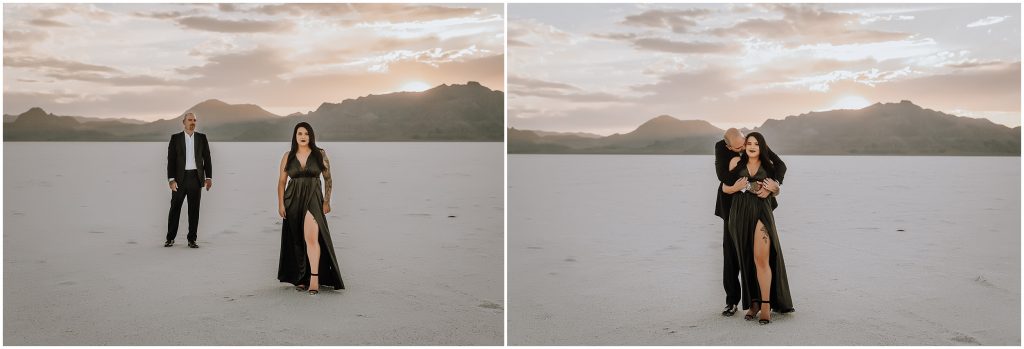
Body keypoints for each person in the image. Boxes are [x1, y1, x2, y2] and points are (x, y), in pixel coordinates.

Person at [721, 132, 794, 324]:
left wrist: (775, 188)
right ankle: (753, 303)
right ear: (744, 146)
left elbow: (777, 187)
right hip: (739, 214)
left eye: (756, 144)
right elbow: (725, 187)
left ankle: (765, 305)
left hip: (761, 213)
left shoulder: (769, 166)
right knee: (746, 261)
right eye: (749, 143)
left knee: (761, 259)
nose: (752, 146)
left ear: (762, 147)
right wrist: (736, 187)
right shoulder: (736, 163)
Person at [277, 122, 345, 295]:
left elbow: (328, 179)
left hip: (313, 198)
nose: (303, 136)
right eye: (299, 133)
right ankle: (301, 278)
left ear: (311, 136)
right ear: (295, 136)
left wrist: (327, 201)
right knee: (297, 240)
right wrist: (280, 203)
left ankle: (314, 278)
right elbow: (282, 181)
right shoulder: (288, 156)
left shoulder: (320, 154)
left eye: (306, 133)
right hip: (292, 199)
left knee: (312, 237)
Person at [165, 112, 212, 248]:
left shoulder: (202, 138)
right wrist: (171, 179)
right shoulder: (175, 138)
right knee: (175, 208)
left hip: (196, 178)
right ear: (183, 122)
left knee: (194, 210)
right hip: (180, 179)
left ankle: (192, 239)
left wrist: (208, 177)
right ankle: (170, 238)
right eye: (190, 120)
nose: (192, 122)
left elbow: (207, 159)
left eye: (194, 120)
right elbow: (171, 161)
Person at [713, 128, 746, 316]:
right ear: (728, 146)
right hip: (730, 208)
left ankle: (762, 301)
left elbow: (773, 165)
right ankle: (731, 301)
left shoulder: (752, 142)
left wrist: (775, 186)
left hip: (753, 204)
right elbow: (723, 177)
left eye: (743, 145)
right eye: (737, 148)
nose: (741, 149)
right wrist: (734, 183)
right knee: (731, 255)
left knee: (757, 255)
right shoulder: (721, 148)